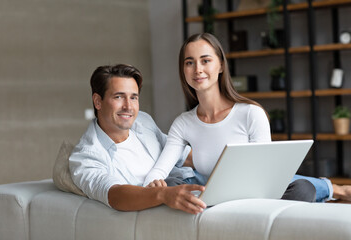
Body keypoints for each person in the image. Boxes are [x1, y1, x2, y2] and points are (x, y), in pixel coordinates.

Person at [143, 33, 351, 203]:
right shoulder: (183, 124)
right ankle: (333, 190)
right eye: (190, 63)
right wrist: (155, 184)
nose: (198, 69)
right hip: (216, 200)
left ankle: (333, 190)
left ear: (221, 66)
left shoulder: (250, 113)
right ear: (184, 70)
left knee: (301, 190)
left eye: (205, 60)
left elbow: (267, 176)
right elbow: (159, 171)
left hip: (258, 197)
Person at [69, 64, 206, 214]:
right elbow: (114, 195)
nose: (128, 106)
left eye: (133, 97)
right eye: (119, 97)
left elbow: (179, 154)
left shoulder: (142, 120)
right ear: (97, 101)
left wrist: (218, 162)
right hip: (171, 200)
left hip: (194, 181)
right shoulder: (86, 156)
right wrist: (162, 195)